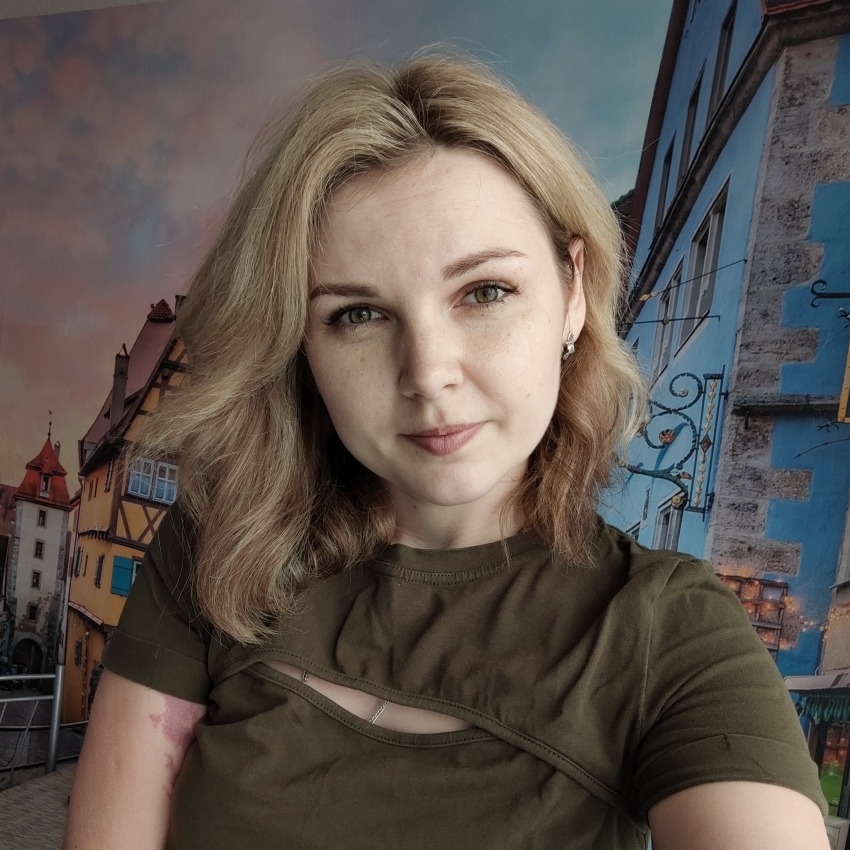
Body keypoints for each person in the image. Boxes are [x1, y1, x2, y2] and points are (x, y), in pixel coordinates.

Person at [63, 55, 829, 850]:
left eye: (485, 292)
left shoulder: (672, 631)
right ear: (299, 343)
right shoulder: (221, 548)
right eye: (357, 314)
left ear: (572, 292)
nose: (428, 374)